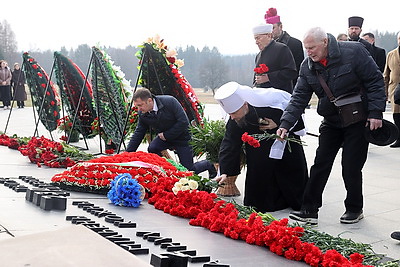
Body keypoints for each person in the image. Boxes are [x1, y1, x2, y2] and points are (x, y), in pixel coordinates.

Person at [277, 27, 386, 224]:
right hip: (331, 120)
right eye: (306, 48)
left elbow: (375, 80)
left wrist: (376, 113)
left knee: (351, 166)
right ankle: (309, 209)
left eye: (312, 47)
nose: (308, 52)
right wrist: (286, 122)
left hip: (357, 118)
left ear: (325, 42)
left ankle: (354, 208)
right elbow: (299, 96)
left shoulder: (354, 52)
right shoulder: (307, 65)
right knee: (320, 163)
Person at [214, 81, 308, 212]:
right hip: (258, 152)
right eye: (230, 114)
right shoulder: (235, 119)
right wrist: (225, 171)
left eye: (234, 113)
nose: (233, 117)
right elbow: (230, 144)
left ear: (245, 105)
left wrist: (278, 124)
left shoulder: (270, 104)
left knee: (290, 177)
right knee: (258, 200)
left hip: (285, 145)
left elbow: (293, 116)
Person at [126, 88, 217, 178]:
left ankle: (208, 164)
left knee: (188, 170)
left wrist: (167, 135)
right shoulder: (143, 113)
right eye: (137, 106)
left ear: (149, 100)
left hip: (182, 138)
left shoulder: (170, 101)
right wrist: (127, 155)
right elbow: (138, 133)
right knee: (153, 148)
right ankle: (166, 170)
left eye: (140, 105)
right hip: (165, 138)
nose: (139, 109)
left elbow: (183, 122)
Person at [265, 7, 304, 87]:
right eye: (268, 29)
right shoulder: (265, 47)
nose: (271, 31)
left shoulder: (295, 44)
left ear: (281, 27)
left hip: (291, 89)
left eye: (273, 28)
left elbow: (299, 71)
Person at [252, 23, 297, 93]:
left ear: (269, 35)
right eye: (255, 39)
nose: (256, 42)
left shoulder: (282, 49)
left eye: (258, 38)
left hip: (281, 97)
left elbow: (291, 72)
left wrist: (269, 77)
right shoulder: (258, 56)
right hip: (263, 98)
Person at [383, 32, 400, 148]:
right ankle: (399, 138)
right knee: (397, 115)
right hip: (394, 90)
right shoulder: (391, 54)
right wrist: (384, 93)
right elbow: (386, 74)